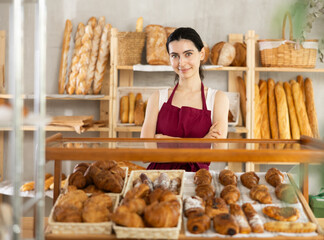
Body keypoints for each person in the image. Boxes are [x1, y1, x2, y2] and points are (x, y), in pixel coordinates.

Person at [140, 27, 229, 171]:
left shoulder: (217, 99)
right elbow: (149, 154)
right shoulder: (157, 97)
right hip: (158, 180)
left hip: (198, 182)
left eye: (188, 54)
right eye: (174, 55)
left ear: (201, 54)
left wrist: (165, 141)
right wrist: (201, 143)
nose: (181, 62)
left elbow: (219, 152)